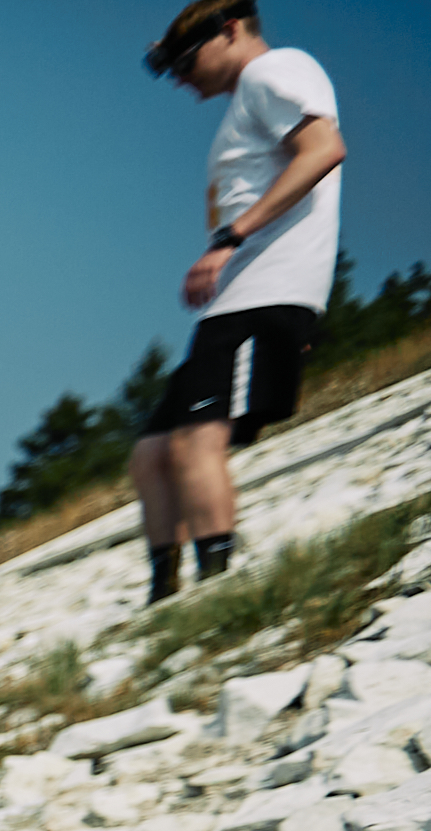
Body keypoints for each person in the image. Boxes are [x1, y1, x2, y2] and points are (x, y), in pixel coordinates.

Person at [133, 2, 345, 602]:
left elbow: (323, 148)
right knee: (152, 454)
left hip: (267, 293)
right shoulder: (250, 97)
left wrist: (230, 237)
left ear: (229, 30)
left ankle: (215, 593)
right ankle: (165, 595)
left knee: (198, 441)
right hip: (234, 302)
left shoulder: (273, 71)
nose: (180, 76)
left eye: (185, 59)